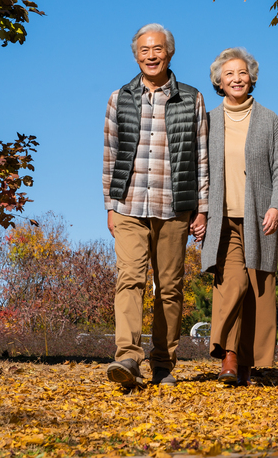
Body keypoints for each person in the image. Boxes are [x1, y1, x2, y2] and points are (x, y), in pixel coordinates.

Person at [103, 23, 208, 389]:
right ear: (136, 54)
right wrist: (110, 204)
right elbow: (110, 154)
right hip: (129, 204)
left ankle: (163, 364)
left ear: (170, 53)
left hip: (174, 204)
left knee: (170, 287)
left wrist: (203, 207)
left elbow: (202, 157)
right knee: (129, 278)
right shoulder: (119, 98)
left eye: (158, 49)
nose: (151, 55)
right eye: (145, 50)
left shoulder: (191, 99)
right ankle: (128, 358)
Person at [202, 47, 278, 386]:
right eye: (229, 74)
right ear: (219, 82)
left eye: (242, 73)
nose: (236, 78)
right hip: (223, 222)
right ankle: (228, 355)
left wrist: (276, 206)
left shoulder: (269, 120)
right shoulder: (209, 121)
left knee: (257, 291)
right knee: (232, 285)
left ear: (251, 78)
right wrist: (200, 213)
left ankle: (246, 367)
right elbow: (200, 172)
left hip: (259, 220)